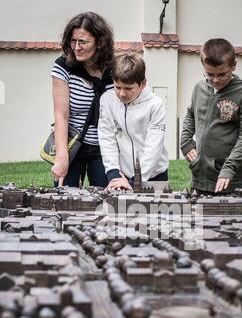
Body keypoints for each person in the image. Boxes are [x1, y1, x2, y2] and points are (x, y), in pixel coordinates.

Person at [180, 38, 242, 193]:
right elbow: (190, 115)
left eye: (222, 74)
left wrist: (229, 168)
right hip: (200, 178)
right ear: (203, 66)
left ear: (234, 66)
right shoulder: (199, 88)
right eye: (210, 74)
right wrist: (185, 141)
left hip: (231, 181)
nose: (215, 80)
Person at [51, 12, 114, 187]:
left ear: (99, 43)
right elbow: (61, 116)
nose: (76, 47)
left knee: (106, 201)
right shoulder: (63, 67)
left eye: (83, 42)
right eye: (73, 41)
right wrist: (62, 157)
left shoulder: (113, 71)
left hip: (104, 148)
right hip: (72, 146)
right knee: (64, 200)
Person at [98, 53, 169, 190]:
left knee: (155, 210)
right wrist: (113, 174)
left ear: (143, 84)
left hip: (155, 175)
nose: (122, 94)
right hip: (121, 175)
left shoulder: (156, 105)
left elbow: (153, 147)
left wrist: (133, 181)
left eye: (128, 88)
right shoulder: (107, 100)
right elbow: (106, 137)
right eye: (117, 87)